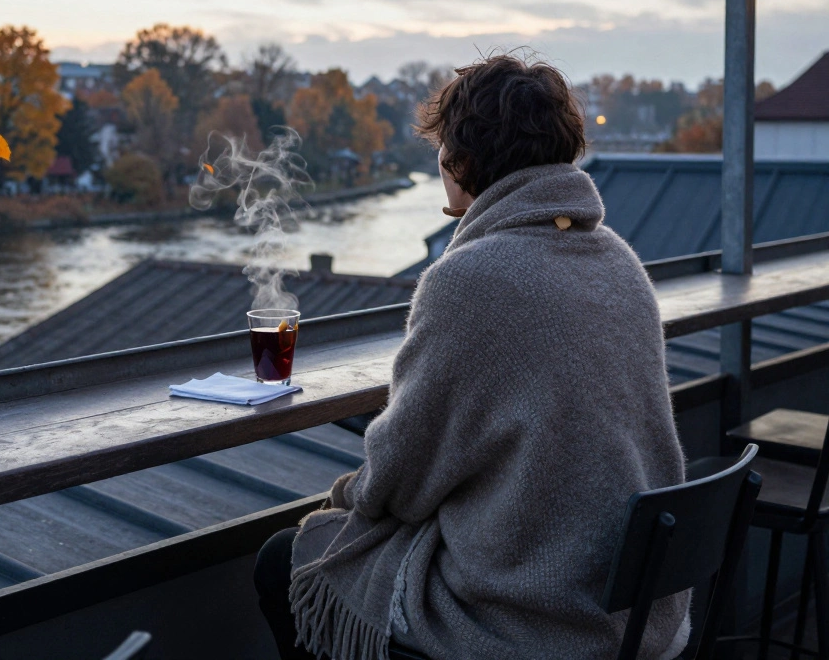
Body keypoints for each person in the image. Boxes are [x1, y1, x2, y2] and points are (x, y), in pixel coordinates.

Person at [253, 54, 689, 660]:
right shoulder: (616, 259)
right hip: (636, 604)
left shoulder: (471, 277)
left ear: (459, 159)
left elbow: (402, 479)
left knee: (290, 557)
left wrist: (343, 502)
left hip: (539, 612)